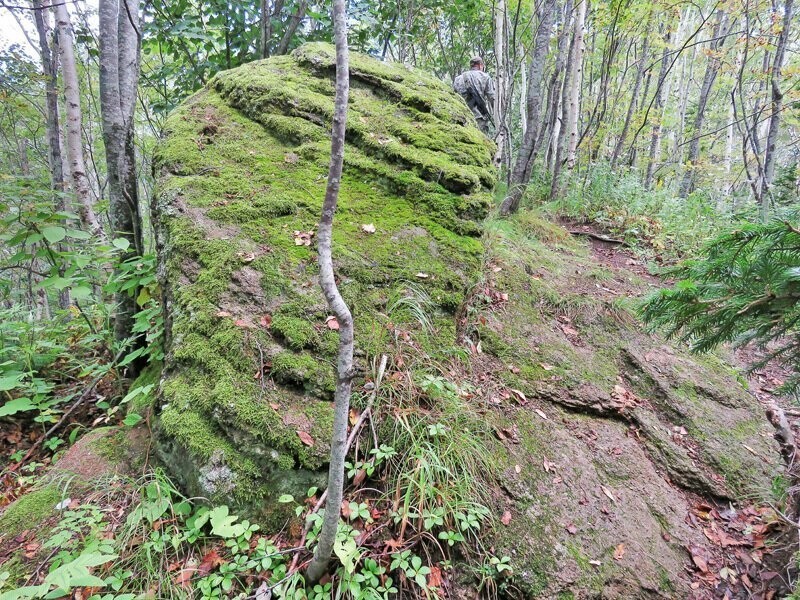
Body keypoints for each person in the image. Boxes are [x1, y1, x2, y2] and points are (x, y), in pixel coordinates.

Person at [454, 56, 496, 134]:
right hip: (478, 119)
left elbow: (454, 98)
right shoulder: (485, 77)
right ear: (480, 65)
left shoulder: (458, 79)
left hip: (461, 118)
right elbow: (493, 98)